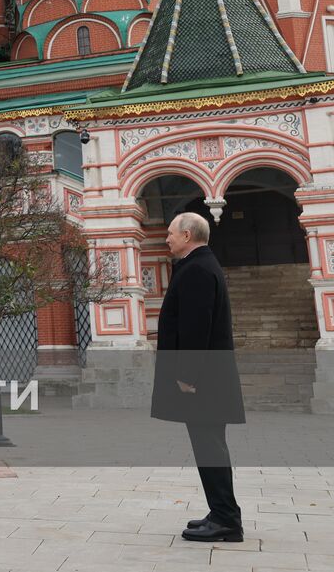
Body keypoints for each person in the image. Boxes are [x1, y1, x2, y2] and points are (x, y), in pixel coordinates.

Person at [152, 212, 246, 543]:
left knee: (210, 448)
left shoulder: (197, 271)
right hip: (209, 380)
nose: (167, 238)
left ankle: (226, 520)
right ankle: (221, 512)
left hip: (202, 382)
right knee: (210, 447)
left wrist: (186, 375)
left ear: (188, 235)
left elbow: (196, 326)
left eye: (171, 233)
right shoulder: (201, 266)